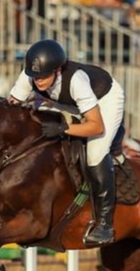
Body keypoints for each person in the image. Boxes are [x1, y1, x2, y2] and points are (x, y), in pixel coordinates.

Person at [7, 39, 124, 246]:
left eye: (44, 76)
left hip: (103, 101)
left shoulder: (77, 81)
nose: (38, 81)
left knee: (95, 154)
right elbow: (12, 108)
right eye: (35, 76)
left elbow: (96, 126)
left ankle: (105, 225)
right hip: (67, 103)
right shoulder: (29, 76)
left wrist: (63, 129)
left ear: (58, 70)